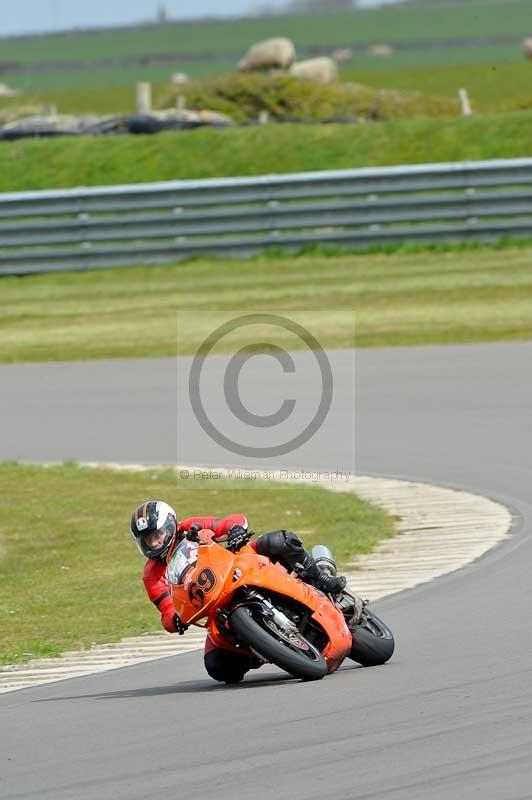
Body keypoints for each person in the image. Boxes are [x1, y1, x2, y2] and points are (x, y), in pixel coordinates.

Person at [130, 499, 347, 684]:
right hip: (212, 604)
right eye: (148, 540)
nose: (154, 543)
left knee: (278, 541)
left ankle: (321, 578)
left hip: (238, 566)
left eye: (157, 534)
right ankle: (262, 648)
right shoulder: (152, 574)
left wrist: (234, 530)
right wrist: (174, 620)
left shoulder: (190, 527)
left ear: (170, 525)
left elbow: (230, 521)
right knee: (217, 667)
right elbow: (167, 609)